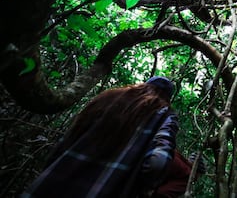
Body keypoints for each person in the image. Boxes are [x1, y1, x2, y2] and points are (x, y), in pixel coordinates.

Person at [22, 76, 179, 197]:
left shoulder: (109, 96)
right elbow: (157, 162)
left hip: (54, 182)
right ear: (167, 97)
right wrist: (142, 187)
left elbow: (69, 138)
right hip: (102, 189)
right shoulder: (164, 114)